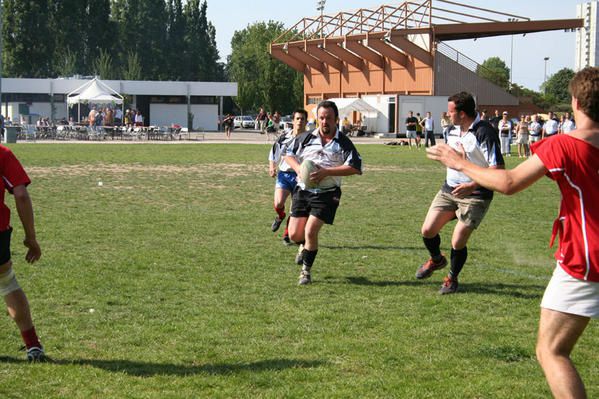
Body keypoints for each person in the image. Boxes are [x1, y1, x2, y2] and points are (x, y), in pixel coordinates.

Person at [425, 66, 599, 399]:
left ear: (575, 102)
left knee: (552, 351)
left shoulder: (563, 144)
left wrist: (459, 163)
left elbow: (508, 182)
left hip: (587, 260)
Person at [415, 91, 504, 294]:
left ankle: (452, 279)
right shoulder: (451, 131)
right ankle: (437, 260)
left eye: (450, 111)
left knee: (457, 241)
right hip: (449, 189)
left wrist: (472, 185)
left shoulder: (484, 132)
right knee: (427, 231)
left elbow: (497, 169)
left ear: (462, 114)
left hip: (476, 194)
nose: (447, 115)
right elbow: (452, 157)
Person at [284, 100, 362, 285]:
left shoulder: (343, 142)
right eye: (321, 118)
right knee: (295, 235)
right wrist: (299, 170)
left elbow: (355, 167)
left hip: (327, 193)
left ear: (336, 119)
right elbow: (288, 154)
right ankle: (303, 246)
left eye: (328, 118)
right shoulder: (307, 137)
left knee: (311, 231)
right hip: (303, 190)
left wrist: (327, 172)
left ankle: (306, 272)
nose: (324, 121)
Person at [0, 144, 45, 362]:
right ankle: (32, 345)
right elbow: (21, 195)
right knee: (7, 283)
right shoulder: (2, 153)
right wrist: (31, 238)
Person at [268, 109, 308, 244]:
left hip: (300, 177)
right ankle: (280, 216)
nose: (300, 121)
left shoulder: (310, 139)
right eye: (297, 118)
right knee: (278, 202)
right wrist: (272, 166)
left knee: (294, 208)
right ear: (293, 121)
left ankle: (286, 235)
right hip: (284, 175)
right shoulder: (284, 136)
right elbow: (273, 152)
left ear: (306, 122)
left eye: (302, 119)